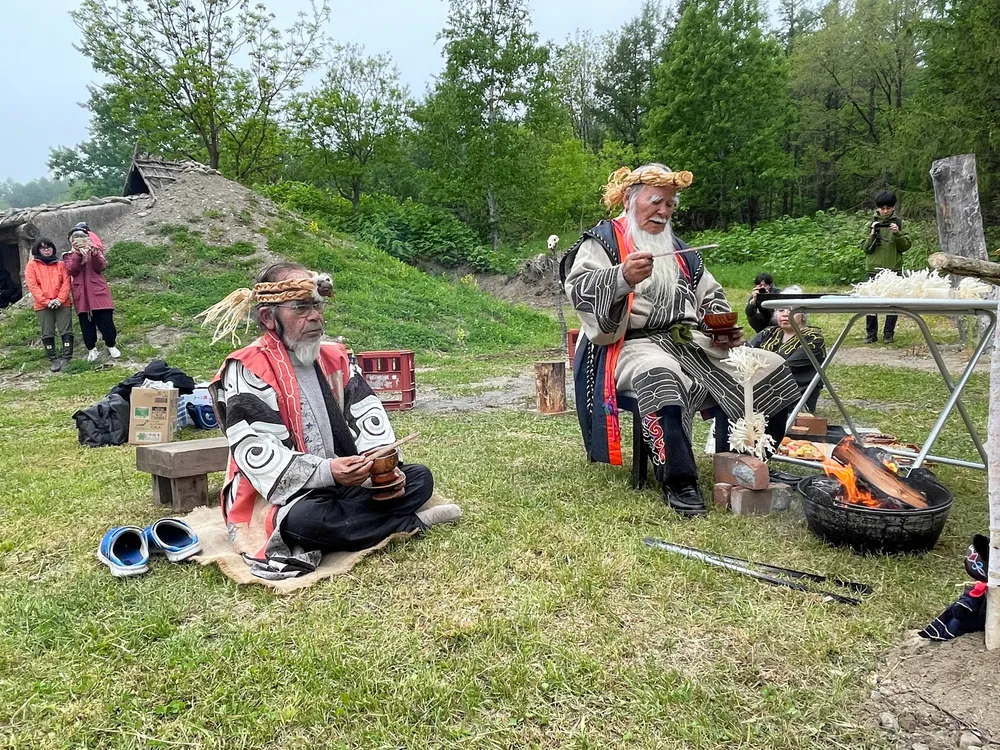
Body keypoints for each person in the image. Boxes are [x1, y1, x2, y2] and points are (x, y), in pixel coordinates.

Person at [561, 164, 800, 517]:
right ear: (629, 198)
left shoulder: (681, 250)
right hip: (631, 344)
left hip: (691, 341)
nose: (664, 212)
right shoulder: (603, 241)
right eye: (656, 201)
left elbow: (711, 295)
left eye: (670, 205)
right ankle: (680, 480)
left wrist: (722, 328)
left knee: (770, 366)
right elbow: (578, 289)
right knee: (660, 375)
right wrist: (621, 276)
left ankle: (755, 462)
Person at [204, 263, 461, 579]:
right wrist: (326, 472)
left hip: (348, 480)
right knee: (306, 522)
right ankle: (406, 523)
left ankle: (360, 524)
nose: (314, 316)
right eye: (300, 307)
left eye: (317, 305)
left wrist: (380, 471)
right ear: (268, 318)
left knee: (419, 478)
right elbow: (258, 452)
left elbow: (367, 416)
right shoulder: (249, 369)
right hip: (282, 496)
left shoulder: (335, 356)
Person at [748, 286, 826, 413]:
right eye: (780, 310)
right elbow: (745, 354)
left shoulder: (813, 339)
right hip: (762, 390)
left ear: (803, 314)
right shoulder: (769, 332)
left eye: (791, 310)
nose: (785, 314)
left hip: (794, 396)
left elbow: (785, 368)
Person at [64, 226, 120, 362]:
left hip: (98, 292)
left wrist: (94, 253)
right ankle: (91, 349)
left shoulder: (95, 251)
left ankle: (111, 344)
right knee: (86, 325)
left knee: (106, 322)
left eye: (82, 238)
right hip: (81, 295)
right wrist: (78, 253)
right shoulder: (67, 255)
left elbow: (100, 266)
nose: (79, 241)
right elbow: (72, 269)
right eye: (75, 239)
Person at [862, 190, 911, 344]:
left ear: (893, 208)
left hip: (893, 269)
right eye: (882, 208)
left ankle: (888, 334)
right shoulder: (870, 224)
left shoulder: (901, 224)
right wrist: (872, 234)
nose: (885, 211)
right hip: (873, 269)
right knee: (870, 303)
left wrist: (897, 234)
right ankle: (871, 334)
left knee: (893, 303)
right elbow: (865, 248)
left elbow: (905, 246)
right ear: (877, 208)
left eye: (888, 208)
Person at [23, 238, 73, 372]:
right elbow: (32, 286)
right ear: (37, 250)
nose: (47, 250)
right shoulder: (32, 266)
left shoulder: (60, 264)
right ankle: (53, 359)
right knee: (47, 332)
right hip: (43, 305)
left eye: (49, 247)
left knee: (66, 330)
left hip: (62, 302)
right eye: (43, 248)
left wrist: (59, 299)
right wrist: (46, 301)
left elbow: (66, 282)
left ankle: (67, 357)